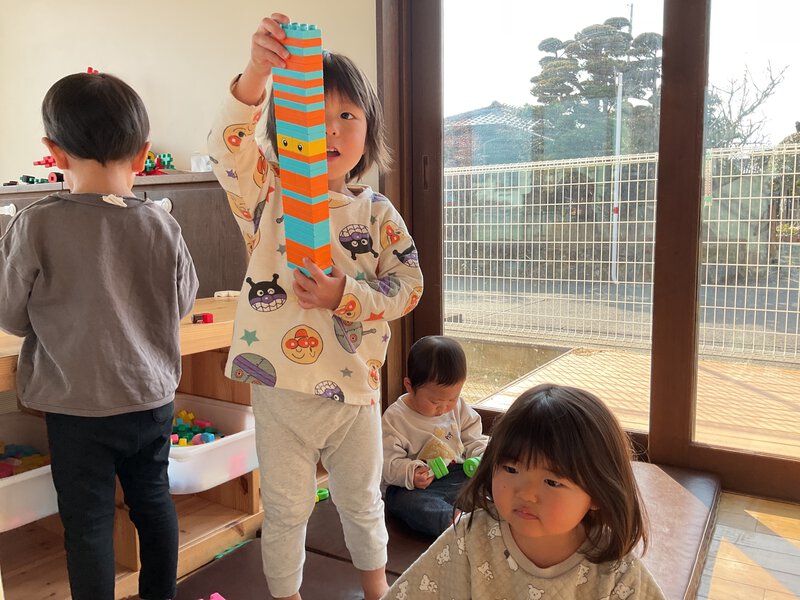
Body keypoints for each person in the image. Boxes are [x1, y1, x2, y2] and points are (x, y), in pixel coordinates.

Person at [207, 13, 423, 600]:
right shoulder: (265, 195)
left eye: (346, 116)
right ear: (280, 133)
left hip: (354, 390)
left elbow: (409, 287)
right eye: (311, 116)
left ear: (368, 133)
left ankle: (376, 588)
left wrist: (345, 295)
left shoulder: (376, 213)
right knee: (285, 510)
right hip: (280, 389)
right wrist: (257, 73)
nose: (328, 130)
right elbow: (227, 149)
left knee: (361, 500)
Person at [0, 72, 198, 600]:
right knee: (153, 503)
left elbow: (11, 316)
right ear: (143, 154)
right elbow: (180, 305)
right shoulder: (163, 224)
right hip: (150, 399)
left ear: (53, 152)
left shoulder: (35, 224)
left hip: (75, 408)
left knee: (87, 523)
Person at [383, 383, 666, 600]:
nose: (526, 494)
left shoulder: (615, 572)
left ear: (597, 493)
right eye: (511, 469)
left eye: (552, 482)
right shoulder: (473, 536)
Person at [382, 335, 487, 537]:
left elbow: (474, 438)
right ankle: (458, 524)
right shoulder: (396, 418)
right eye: (435, 402)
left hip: (459, 474)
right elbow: (387, 463)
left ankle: (492, 516)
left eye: (453, 399)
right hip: (420, 488)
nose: (445, 408)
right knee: (404, 502)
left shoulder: (459, 408)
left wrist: (481, 456)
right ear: (409, 386)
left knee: (491, 483)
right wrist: (412, 473)